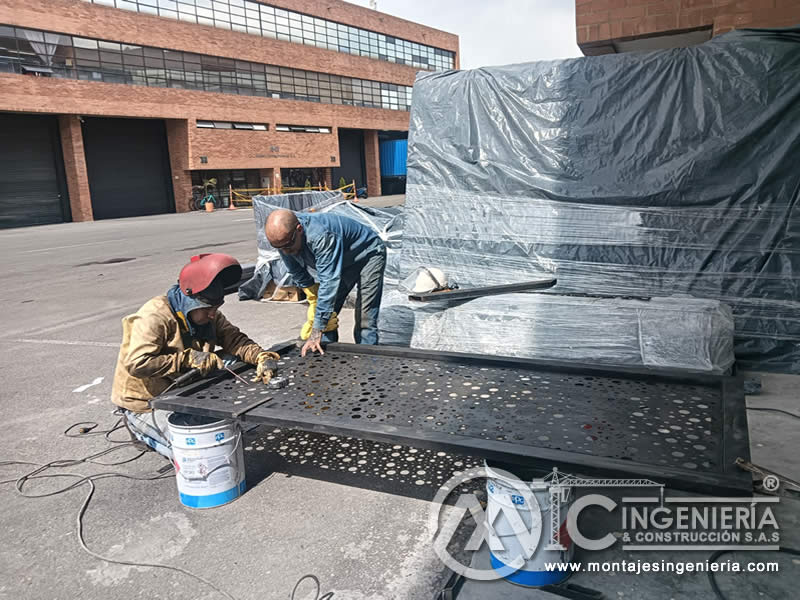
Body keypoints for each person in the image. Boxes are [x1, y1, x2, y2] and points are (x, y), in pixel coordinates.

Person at [111, 253, 279, 459]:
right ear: (191, 302)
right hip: (147, 402)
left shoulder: (207, 314)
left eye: (215, 309)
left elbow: (233, 339)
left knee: (233, 359)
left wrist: (261, 356)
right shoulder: (155, 316)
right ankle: (138, 428)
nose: (212, 314)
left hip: (179, 390)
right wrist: (188, 358)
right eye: (208, 309)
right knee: (197, 453)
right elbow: (137, 363)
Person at [265, 209, 386, 356]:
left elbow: (329, 281)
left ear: (299, 230)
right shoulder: (285, 238)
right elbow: (296, 270)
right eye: (279, 248)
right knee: (327, 313)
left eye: (288, 246)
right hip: (345, 260)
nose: (285, 252)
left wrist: (316, 331)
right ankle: (323, 355)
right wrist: (312, 296)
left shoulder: (321, 235)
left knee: (365, 317)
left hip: (369, 254)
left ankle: (368, 364)